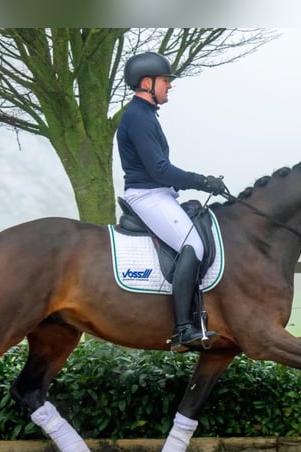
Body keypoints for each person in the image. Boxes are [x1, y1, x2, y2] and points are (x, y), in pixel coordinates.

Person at [117, 51, 225, 352]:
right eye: (166, 81)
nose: (170, 86)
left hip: (159, 193)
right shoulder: (138, 117)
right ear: (147, 82)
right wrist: (202, 181)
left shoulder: (146, 115)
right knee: (194, 245)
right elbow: (159, 170)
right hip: (147, 194)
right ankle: (182, 329)